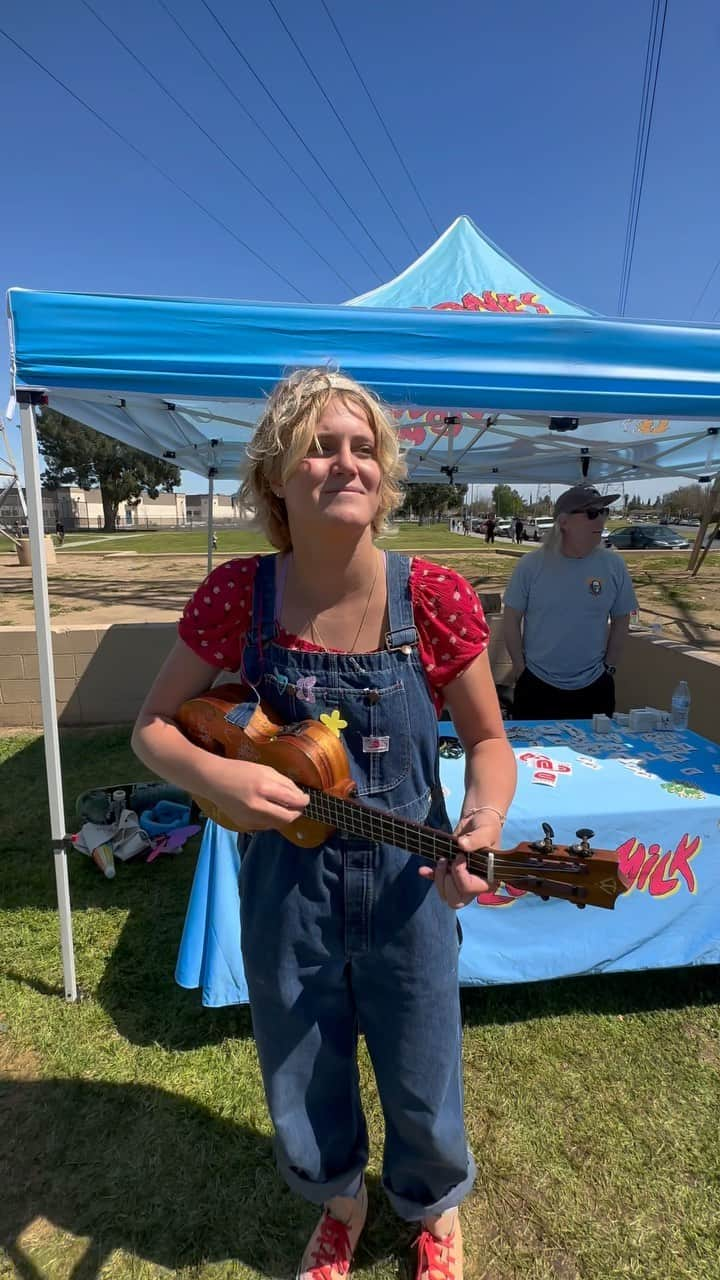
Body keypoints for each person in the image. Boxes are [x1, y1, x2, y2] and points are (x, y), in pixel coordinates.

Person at [132, 368, 516, 1280]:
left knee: (425, 1067)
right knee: (302, 1068)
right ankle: (341, 1199)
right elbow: (153, 729)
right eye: (320, 445)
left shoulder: (434, 598)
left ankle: (431, 1211)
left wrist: (484, 823)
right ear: (276, 477)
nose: (347, 462)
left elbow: (492, 741)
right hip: (283, 889)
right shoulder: (237, 597)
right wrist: (215, 770)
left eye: (363, 447)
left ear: (384, 473)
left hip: (410, 893)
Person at [503, 484, 638, 720]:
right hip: (537, 684)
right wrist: (519, 667)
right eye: (592, 513)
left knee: (597, 756)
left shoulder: (614, 566)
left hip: (595, 686)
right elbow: (511, 619)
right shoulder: (531, 565)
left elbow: (621, 618)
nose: (601, 521)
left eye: (604, 512)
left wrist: (610, 668)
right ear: (564, 522)